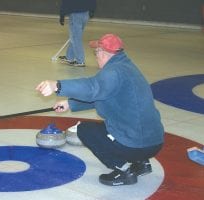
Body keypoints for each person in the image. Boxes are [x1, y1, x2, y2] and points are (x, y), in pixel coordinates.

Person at [36, 34, 164, 186]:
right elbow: (105, 95)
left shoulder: (113, 72)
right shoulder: (127, 67)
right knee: (124, 126)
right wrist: (71, 103)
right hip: (154, 143)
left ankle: (124, 171)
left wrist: (57, 85)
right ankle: (142, 164)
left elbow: (92, 88)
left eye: (96, 52)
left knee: (85, 130)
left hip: (135, 145)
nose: (95, 56)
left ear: (102, 52)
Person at [58, 0, 96, 67]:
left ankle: (80, 61)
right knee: (74, 37)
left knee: (76, 38)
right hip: (85, 14)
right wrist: (92, 10)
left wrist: (62, 15)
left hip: (75, 14)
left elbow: (65, 2)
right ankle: (69, 57)